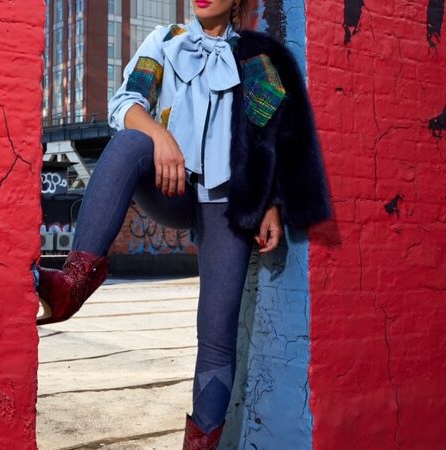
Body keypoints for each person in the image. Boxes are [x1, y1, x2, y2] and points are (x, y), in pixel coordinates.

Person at [34, 0, 332, 448]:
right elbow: (127, 103)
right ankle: (73, 283)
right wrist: (160, 136)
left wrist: (269, 201)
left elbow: (267, 134)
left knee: (217, 337)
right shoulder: (165, 41)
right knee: (130, 142)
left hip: (226, 202)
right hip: (169, 185)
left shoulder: (256, 60)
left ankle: (200, 443)